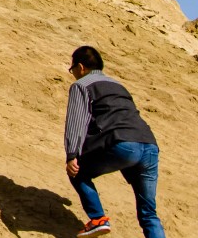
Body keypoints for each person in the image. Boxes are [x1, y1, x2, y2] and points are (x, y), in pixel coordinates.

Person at [64, 44, 165, 238]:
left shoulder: (81, 85)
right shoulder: (119, 85)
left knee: (77, 172)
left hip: (123, 144)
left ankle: (98, 219)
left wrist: (72, 154)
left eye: (72, 69)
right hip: (149, 145)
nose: (73, 73)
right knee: (149, 214)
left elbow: (76, 122)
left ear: (81, 67)